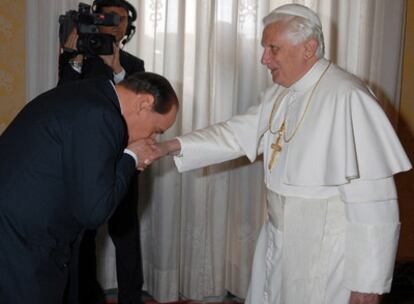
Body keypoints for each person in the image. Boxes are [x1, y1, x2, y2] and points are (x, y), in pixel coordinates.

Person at [151, 4, 411, 304]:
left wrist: (367, 284)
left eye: (273, 49)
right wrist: (170, 146)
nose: (264, 59)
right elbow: (236, 134)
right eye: (265, 49)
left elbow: (374, 203)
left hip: (324, 251)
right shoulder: (283, 92)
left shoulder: (348, 97)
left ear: (308, 48)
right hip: (277, 235)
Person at [0, 72, 178, 304]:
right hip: (20, 241)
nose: (153, 139)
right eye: (157, 129)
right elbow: (93, 211)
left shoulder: (91, 95)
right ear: (144, 103)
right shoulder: (101, 116)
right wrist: (132, 157)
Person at [58, 1, 146, 303]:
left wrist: (117, 69)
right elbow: (62, 100)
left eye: (119, 19)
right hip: (83, 160)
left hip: (122, 156)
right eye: (105, 17)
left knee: (126, 235)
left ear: (127, 27)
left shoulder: (134, 65)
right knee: (82, 237)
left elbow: (139, 109)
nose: (112, 23)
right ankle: (87, 296)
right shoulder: (79, 57)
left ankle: (131, 298)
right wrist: (73, 60)